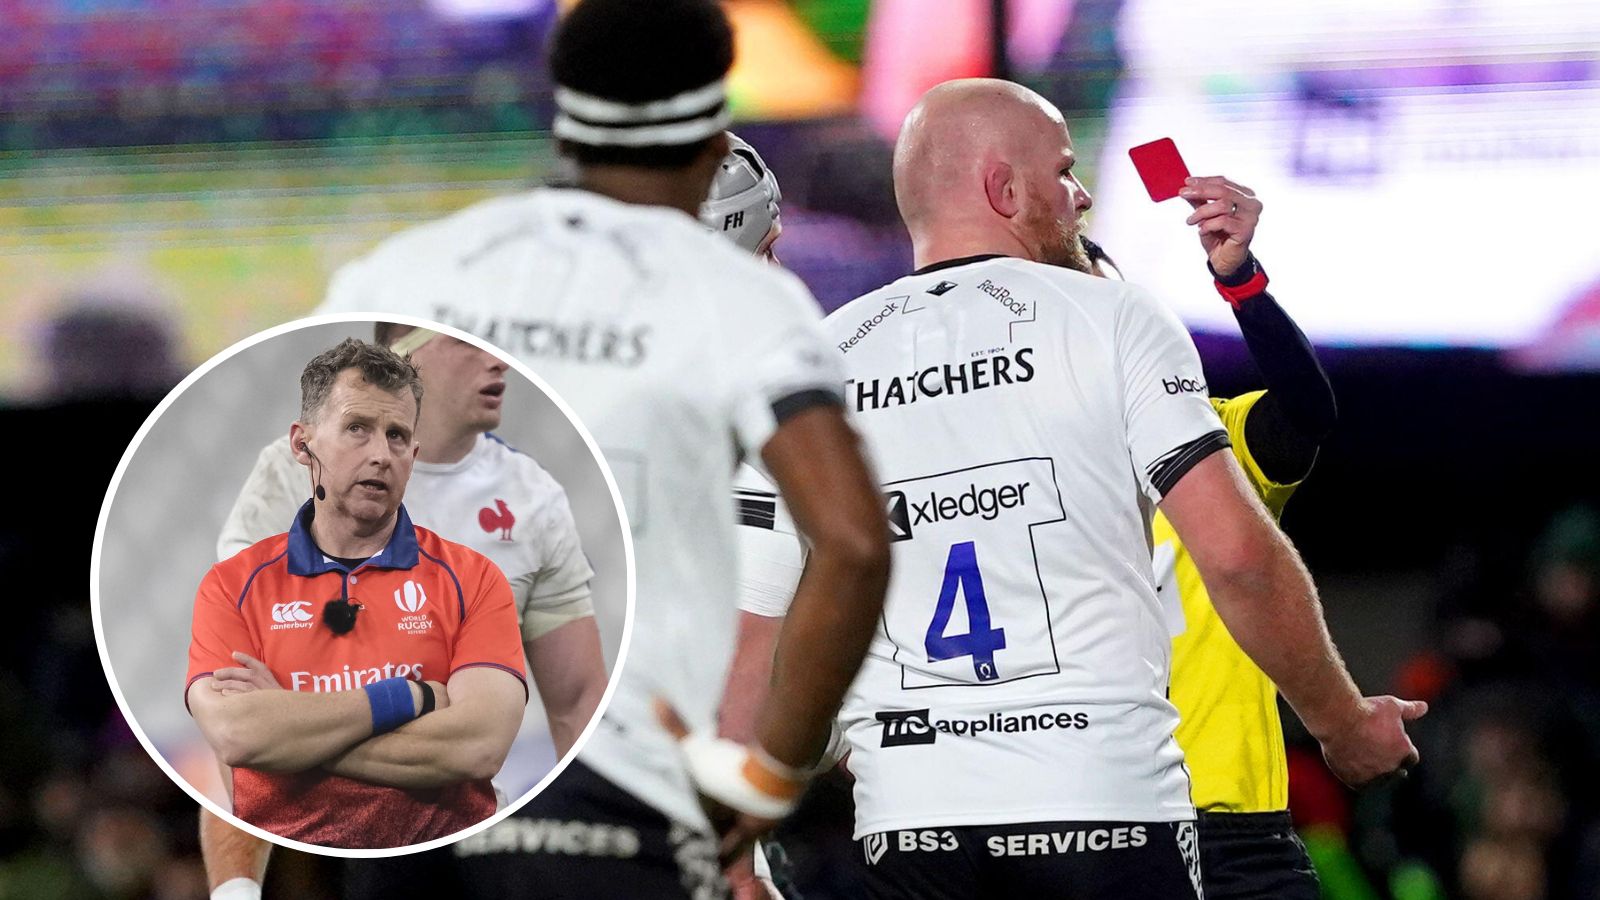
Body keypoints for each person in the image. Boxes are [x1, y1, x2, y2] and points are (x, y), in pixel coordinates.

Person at [314, 1, 892, 896]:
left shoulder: (404, 271)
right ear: (714, 130)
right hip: (616, 784)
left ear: (560, 112)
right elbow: (853, 542)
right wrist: (770, 778)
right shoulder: (735, 297)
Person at [816, 77, 1423, 899]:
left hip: (1135, 808)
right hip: (1115, 798)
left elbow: (1307, 410)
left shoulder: (1208, 431)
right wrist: (1342, 723)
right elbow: (1241, 561)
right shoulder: (1083, 364)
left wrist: (1243, 281)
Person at [200, 324, 606, 899]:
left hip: (489, 832)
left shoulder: (532, 497)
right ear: (404, 356)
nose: (499, 362)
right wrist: (411, 699)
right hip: (335, 847)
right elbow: (242, 726)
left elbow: (572, 705)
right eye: (468, 343)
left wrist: (589, 855)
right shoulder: (285, 476)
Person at [184, 338, 529, 851]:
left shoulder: (474, 579)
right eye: (356, 429)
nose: (380, 455)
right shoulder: (233, 585)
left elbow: (476, 749)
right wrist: (408, 698)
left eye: (396, 436)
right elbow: (237, 736)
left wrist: (289, 723)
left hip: (443, 869)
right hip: (298, 873)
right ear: (303, 446)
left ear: (414, 456)